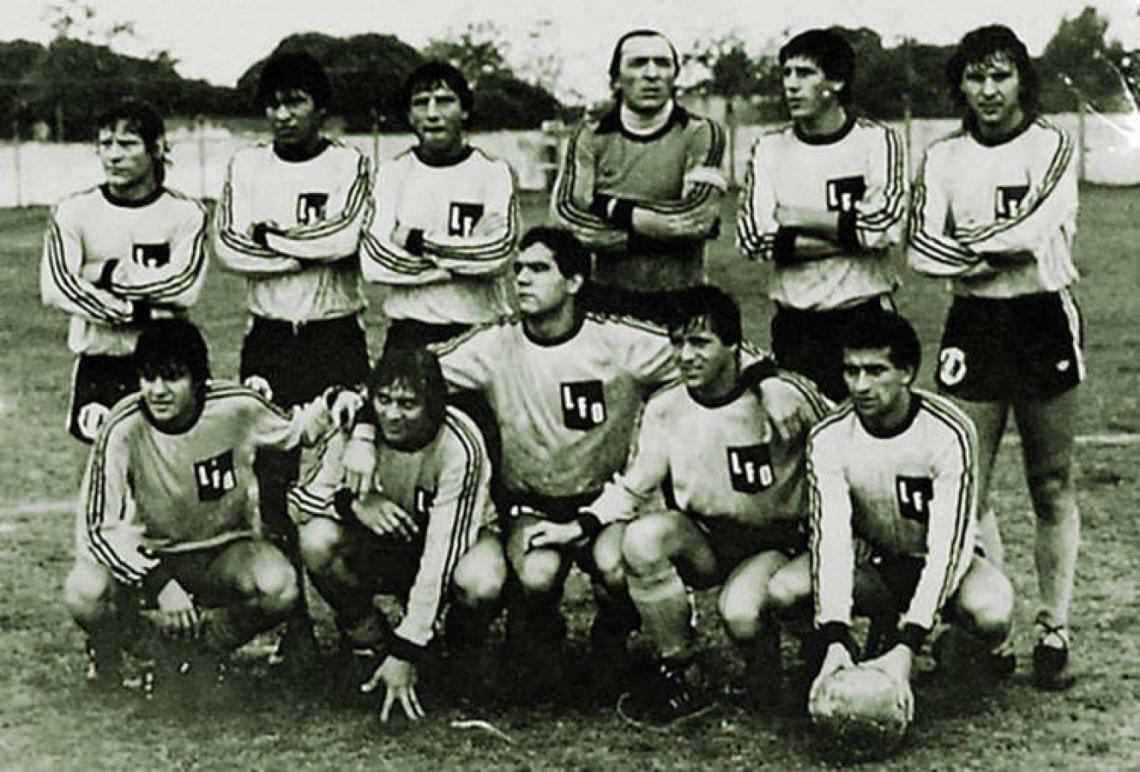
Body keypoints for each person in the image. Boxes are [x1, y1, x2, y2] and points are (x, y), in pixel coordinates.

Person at [346, 229, 807, 701]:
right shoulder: (495, 345)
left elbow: (709, 351)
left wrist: (767, 380)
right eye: (518, 269)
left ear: (573, 281)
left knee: (616, 566)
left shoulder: (619, 341)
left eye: (539, 269)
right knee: (537, 576)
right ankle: (535, 632)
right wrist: (363, 429)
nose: (522, 279)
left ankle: (611, 639)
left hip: (607, 502)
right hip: (532, 505)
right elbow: (405, 373)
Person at [62, 318, 362, 706]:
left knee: (279, 585)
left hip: (220, 554)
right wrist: (159, 582)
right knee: (85, 592)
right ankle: (150, 652)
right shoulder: (123, 426)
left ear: (198, 378)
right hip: (150, 558)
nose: (157, 391)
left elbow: (295, 429)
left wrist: (334, 400)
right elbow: (98, 527)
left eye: (172, 378)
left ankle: (202, 651)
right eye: (148, 377)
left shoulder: (234, 406)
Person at [907, 25, 1081, 689]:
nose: (987, 90)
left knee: (1050, 481)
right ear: (960, 86)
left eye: (1000, 75)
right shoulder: (944, 157)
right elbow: (921, 248)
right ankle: (991, 628)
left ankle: (1054, 626)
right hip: (974, 324)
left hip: (1042, 319)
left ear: (1021, 80)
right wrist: (988, 251)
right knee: (966, 483)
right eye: (975, 77)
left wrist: (969, 244)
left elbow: (1040, 230)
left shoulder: (1053, 145)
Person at [582, 285, 831, 725]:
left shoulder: (784, 396)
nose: (686, 355)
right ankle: (681, 670)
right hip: (709, 539)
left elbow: (845, 443)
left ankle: (782, 667)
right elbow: (636, 485)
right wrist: (580, 524)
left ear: (734, 346)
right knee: (642, 538)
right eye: (678, 342)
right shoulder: (666, 405)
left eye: (700, 342)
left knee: (739, 613)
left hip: (778, 542)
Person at [213, 50, 373, 665]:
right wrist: (304, 252)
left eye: (296, 101)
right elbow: (230, 246)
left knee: (347, 469)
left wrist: (272, 239)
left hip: (336, 334)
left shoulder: (350, 163)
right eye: (274, 103)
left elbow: (347, 237)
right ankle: (296, 622)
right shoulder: (246, 165)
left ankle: (357, 620)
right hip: (271, 339)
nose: (283, 113)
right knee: (273, 479)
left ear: (320, 107)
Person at [808, 312, 1015, 706]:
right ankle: (839, 655)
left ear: (907, 371)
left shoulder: (948, 430)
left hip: (941, 564)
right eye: (851, 371)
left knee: (993, 611)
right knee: (787, 590)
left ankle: (952, 648)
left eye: (875, 370)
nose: (861, 385)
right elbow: (831, 541)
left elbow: (949, 549)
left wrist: (911, 642)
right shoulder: (829, 436)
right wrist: (834, 633)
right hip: (875, 566)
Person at [291, 346, 496, 723]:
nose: (392, 414)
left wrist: (409, 648)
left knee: (482, 580)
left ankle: (457, 650)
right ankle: (368, 640)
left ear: (433, 403)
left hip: (454, 543)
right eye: (383, 400)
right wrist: (354, 504)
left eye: (407, 403)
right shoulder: (356, 430)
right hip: (384, 546)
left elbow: (444, 552)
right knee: (317, 540)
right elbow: (303, 503)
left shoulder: (460, 443)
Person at [737, 28, 906, 401]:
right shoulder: (769, 149)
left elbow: (886, 226)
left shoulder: (877, 141)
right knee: (797, 441)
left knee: (868, 441)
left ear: (837, 81)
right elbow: (753, 238)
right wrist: (851, 236)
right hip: (796, 326)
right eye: (787, 73)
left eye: (805, 73)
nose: (791, 86)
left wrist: (798, 217)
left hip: (865, 317)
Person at [40, 97, 208, 444]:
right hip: (101, 364)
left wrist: (104, 273)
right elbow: (57, 287)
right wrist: (134, 310)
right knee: (105, 480)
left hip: (168, 368)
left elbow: (184, 286)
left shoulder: (185, 213)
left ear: (157, 148)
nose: (113, 155)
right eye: (105, 144)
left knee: (173, 478)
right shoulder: (73, 211)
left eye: (128, 144)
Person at [551, 29, 727, 298]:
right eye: (638, 63)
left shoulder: (702, 132)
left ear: (674, 75)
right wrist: (660, 238)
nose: (652, 74)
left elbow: (693, 219)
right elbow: (565, 220)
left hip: (681, 300)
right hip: (606, 302)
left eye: (663, 63)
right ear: (616, 79)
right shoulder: (590, 135)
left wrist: (606, 205)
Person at [361, 60, 520, 349]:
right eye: (421, 103)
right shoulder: (391, 174)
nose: (432, 114)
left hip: (482, 333)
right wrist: (463, 255)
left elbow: (498, 255)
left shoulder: (494, 172)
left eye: (445, 101)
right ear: (409, 116)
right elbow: (374, 264)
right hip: (410, 334)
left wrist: (415, 240)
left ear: (465, 110)